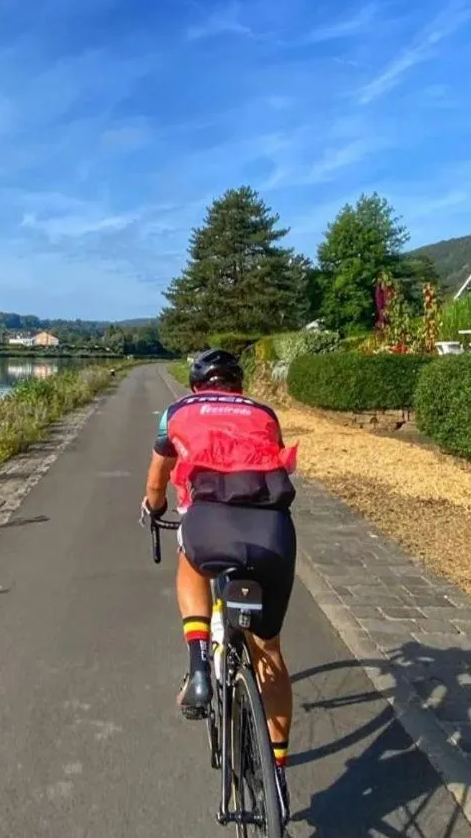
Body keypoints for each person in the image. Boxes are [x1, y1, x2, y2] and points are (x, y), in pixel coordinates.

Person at [142, 348, 298, 816]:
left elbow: (157, 483)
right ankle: (277, 775)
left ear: (196, 386)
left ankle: (197, 670)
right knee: (268, 651)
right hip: (271, 532)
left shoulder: (176, 413)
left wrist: (153, 508)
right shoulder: (263, 413)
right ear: (239, 385)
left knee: (191, 563)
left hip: (208, 523)